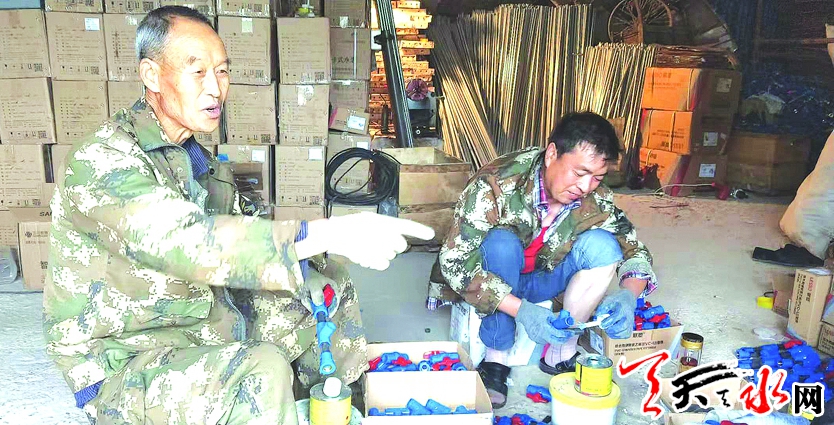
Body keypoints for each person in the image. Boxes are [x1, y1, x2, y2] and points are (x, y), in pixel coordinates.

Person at [42, 7, 434, 424]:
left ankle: (336, 407)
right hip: (125, 355)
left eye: (222, 71)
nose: (215, 89)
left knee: (326, 284)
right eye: (198, 72)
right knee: (261, 371)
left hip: (198, 318)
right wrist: (321, 232)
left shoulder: (199, 163)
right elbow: (184, 240)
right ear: (152, 75)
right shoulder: (101, 159)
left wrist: (306, 267)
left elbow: (247, 233)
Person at [436, 112, 656, 408]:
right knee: (501, 244)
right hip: (498, 274)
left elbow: (633, 249)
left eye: (597, 177)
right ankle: (496, 359)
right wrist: (522, 311)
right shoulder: (496, 183)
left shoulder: (597, 198)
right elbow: (455, 262)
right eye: (579, 173)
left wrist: (630, 295)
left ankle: (560, 352)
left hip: (546, 276)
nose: (586, 186)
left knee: (604, 247)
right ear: (552, 154)